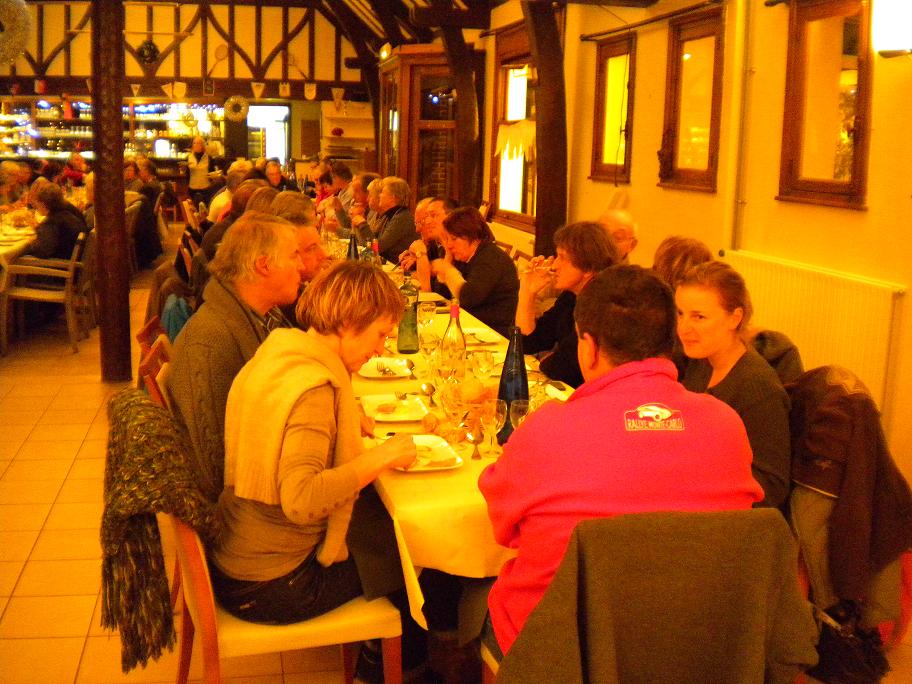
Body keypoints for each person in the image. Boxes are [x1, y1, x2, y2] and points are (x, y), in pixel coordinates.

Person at [479, 265, 763, 657]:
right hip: (696, 642)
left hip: (563, 650)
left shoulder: (546, 429)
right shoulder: (727, 424)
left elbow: (502, 528)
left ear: (589, 347)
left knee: (478, 599)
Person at [167, 213, 309, 503]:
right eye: (294, 255)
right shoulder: (211, 342)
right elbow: (213, 468)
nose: (303, 266)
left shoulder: (259, 315)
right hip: (244, 508)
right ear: (263, 265)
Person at [676, 261, 792, 509]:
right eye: (680, 314)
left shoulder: (757, 389)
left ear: (734, 318)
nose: (683, 328)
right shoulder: (702, 363)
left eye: (699, 317)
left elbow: (771, 486)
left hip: (729, 517)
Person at [516, 222, 620, 388]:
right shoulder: (571, 296)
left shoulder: (602, 307)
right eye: (557, 256)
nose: (554, 265)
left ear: (588, 268)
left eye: (563, 258)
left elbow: (560, 369)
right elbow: (528, 343)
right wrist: (527, 292)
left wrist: (547, 360)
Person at [430, 206, 518, 336]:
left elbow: (468, 298)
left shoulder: (490, 258)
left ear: (473, 236)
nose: (449, 245)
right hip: (472, 326)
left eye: (454, 239)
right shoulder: (466, 257)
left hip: (494, 333)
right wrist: (448, 259)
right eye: (447, 239)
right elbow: (442, 294)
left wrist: (448, 270)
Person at [26, 182, 86, 259]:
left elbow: (42, 252)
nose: (36, 206)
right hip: (72, 257)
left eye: (37, 202)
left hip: (61, 263)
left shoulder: (52, 221)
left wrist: (31, 243)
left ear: (43, 204)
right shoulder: (67, 213)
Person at [371, 176, 419, 263]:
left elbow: (378, 247)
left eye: (382, 192)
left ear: (392, 197)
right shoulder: (388, 216)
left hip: (399, 267)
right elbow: (371, 240)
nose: (379, 195)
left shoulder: (402, 218)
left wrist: (361, 224)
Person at [187, 135, 214, 205]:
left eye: (198, 143)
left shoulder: (208, 157)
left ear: (202, 145)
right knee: (193, 207)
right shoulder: (189, 157)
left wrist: (213, 177)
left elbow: (212, 171)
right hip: (192, 187)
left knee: (204, 207)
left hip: (205, 188)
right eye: (194, 143)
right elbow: (187, 173)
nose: (196, 145)